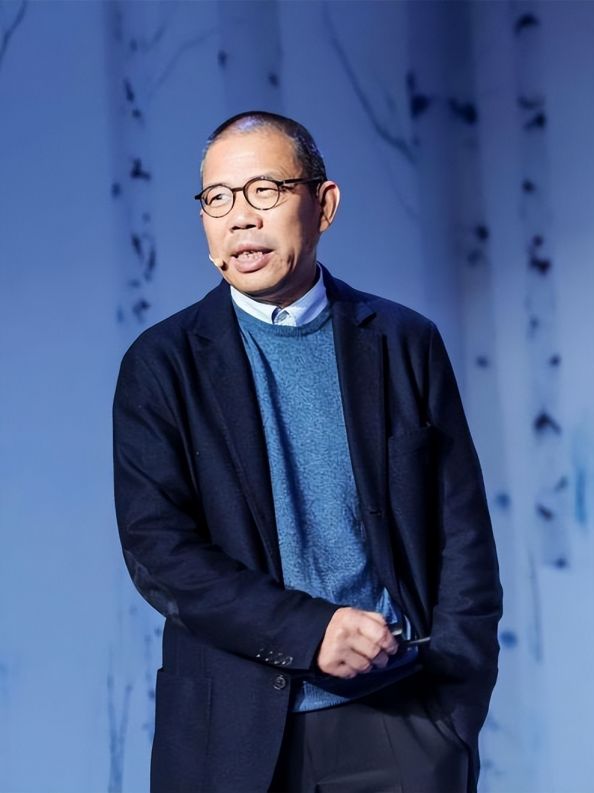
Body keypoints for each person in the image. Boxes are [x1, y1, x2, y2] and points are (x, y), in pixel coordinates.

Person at [113, 111, 502, 793]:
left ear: (324, 205)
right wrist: (310, 631)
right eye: (217, 199)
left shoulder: (403, 342)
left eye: (264, 190)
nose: (239, 218)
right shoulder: (162, 364)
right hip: (230, 736)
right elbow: (160, 552)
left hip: (400, 720)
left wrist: (452, 713)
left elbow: (463, 534)